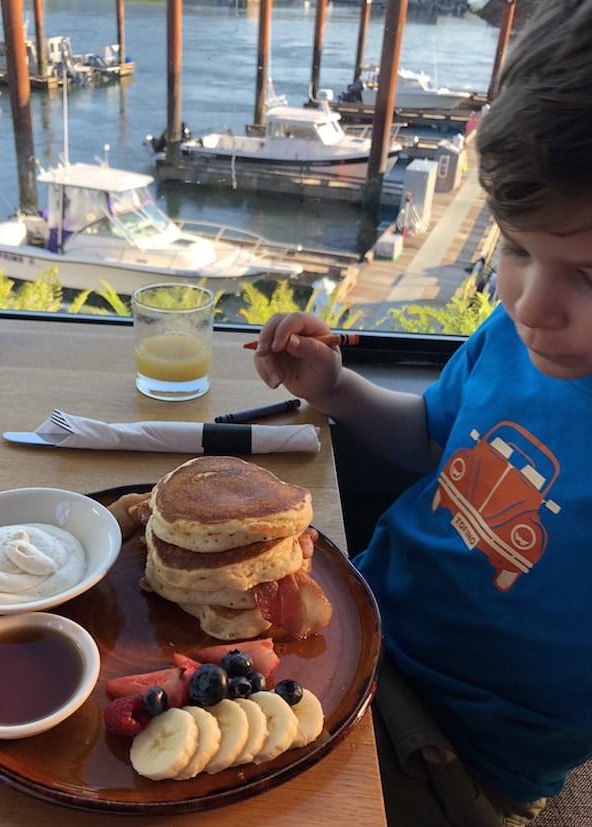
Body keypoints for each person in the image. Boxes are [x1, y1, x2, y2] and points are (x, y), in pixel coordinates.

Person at [252, 2, 592, 824]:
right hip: (361, 619)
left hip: (469, 742)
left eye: (589, 275)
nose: (531, 304)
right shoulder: (506, 335)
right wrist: (335, 391)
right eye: (515, 248)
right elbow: (432, 438)